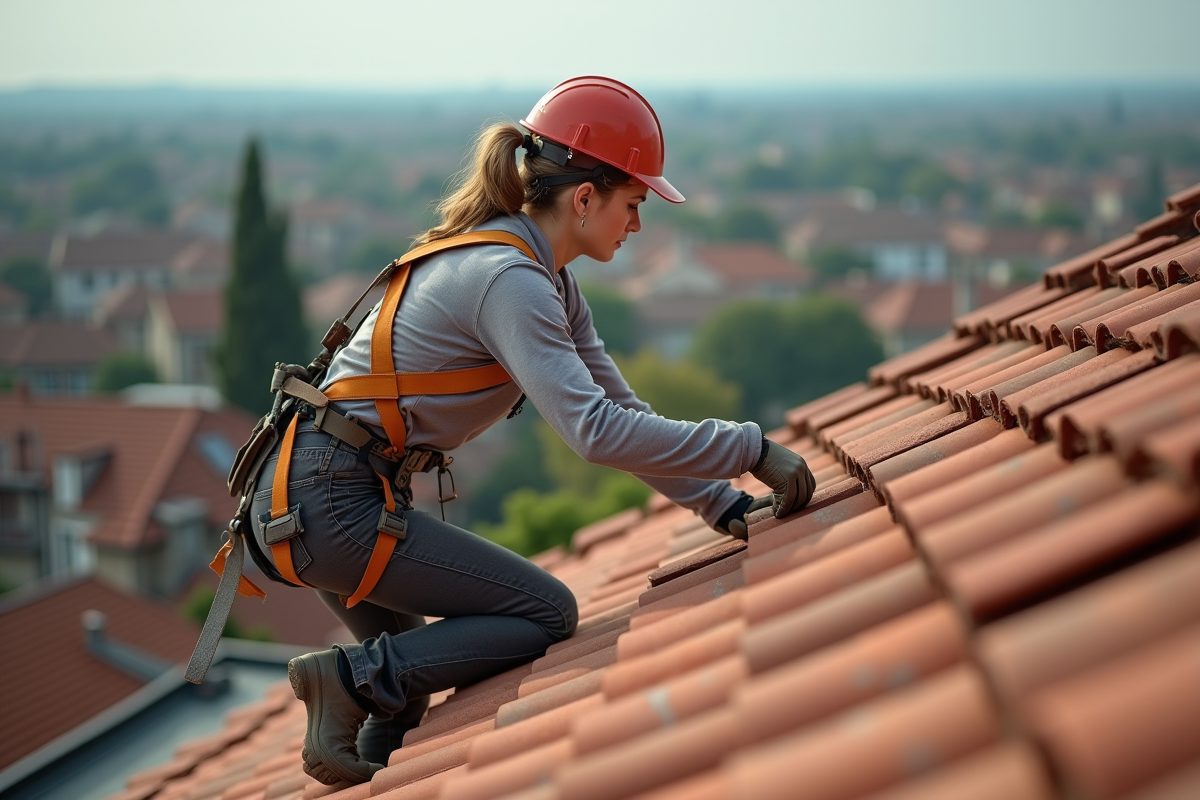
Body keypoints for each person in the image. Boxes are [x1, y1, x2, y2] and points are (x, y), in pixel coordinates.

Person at [249, 76, 816, 785]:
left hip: (319, 496)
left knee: (402, 701)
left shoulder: (547, 279)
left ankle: (370, 732)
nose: (637, 226)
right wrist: (751, 448)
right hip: (330, 503)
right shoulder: (507, 279)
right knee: (546, 612)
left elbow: (621, 413)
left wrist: (721, 502)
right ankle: (346, 681)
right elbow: (594, 432)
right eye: (633, 204)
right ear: (585, 198)